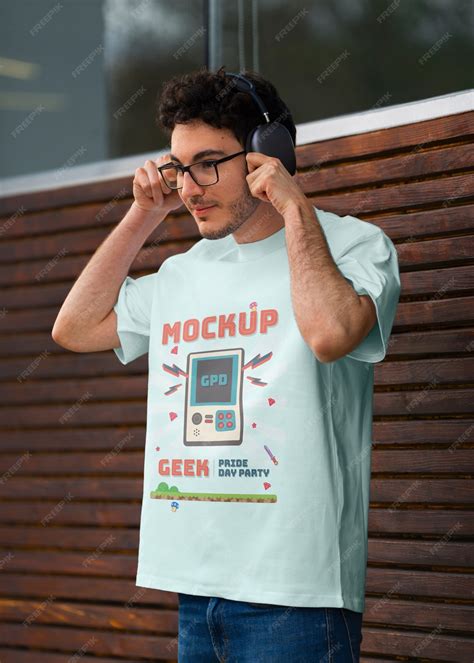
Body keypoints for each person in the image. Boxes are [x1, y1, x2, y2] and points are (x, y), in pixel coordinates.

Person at [52, 65, 401, 662]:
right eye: (179, 167)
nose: (190, 188)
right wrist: (144, 214)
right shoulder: (182, 272)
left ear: (269, 153)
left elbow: (330, 334)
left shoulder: (353, 246)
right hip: (197, 588)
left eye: (209, 163)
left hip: (297, 593)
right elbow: (75, 327)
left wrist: (294, 209)